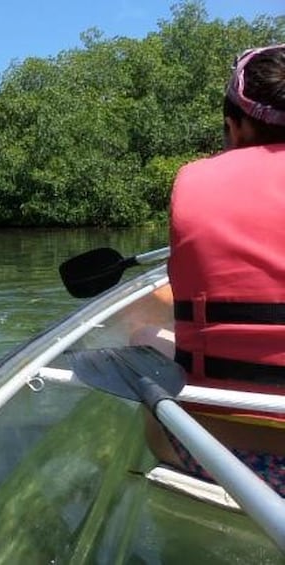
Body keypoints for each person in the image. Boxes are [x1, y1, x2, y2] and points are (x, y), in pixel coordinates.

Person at [142, 43, 285, 496]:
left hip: (224, 459)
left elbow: (179, 294)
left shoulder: (194, 181)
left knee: (141, 336)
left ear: (234, 125)